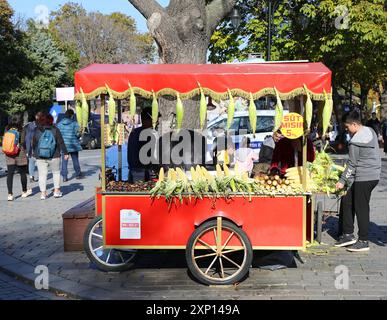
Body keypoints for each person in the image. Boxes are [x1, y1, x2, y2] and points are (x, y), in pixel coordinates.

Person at [335, 110, 381, 252]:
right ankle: (348, 234)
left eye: (347, 127)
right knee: (347, 198)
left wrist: (342, 180)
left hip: (364, 177)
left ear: (354, 124)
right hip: (374, 174)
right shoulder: (370, 131)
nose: (347, 131)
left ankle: (363, 240)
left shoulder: (355, 141)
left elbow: (352, 164)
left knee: (361, 207)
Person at [33, 113, 69, 200]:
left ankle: (43, 193)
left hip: (40, 156)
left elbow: (34, 143)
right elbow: (61, 142)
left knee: (42, 175)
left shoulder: (37, 130)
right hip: (55, 155)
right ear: (51, 120)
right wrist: (66, 153)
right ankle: (56, 191)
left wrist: (34, 153)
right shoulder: (55, 129)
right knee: (56, 173)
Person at [3, 115, 32, 201]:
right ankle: (24, 191)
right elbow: (23, 141)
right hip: (20, 152)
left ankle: (10, 194)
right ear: (20, 121)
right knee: (22, 173)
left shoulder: (7, 128)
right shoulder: (22, 129)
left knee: (10, 174)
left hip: (9, 153)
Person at [127, 108, 159, 182]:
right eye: (154, 120)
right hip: (140, 173)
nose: (156, 122)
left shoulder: (135, 132)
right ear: (146, 120)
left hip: (136, 171)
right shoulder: (146, 134)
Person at [57, 109, 83, 182]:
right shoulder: (74, 123)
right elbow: (77, 134)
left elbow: (58, 135)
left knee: (64, 161)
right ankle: (78, 174)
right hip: (73, 145)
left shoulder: (59, 124)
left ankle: (64, 177)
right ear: (71, 115)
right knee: (75, 160)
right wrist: (80, 133)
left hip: (63, 146)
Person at [24, 112, 42, 182]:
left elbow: (27, 138)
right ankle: (41, 176)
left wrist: (28, 150)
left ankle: (31, 177)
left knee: (31, 162)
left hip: (31, 148)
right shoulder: (41, 125)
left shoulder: (28, 126)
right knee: (40, 162)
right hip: (39, 148)